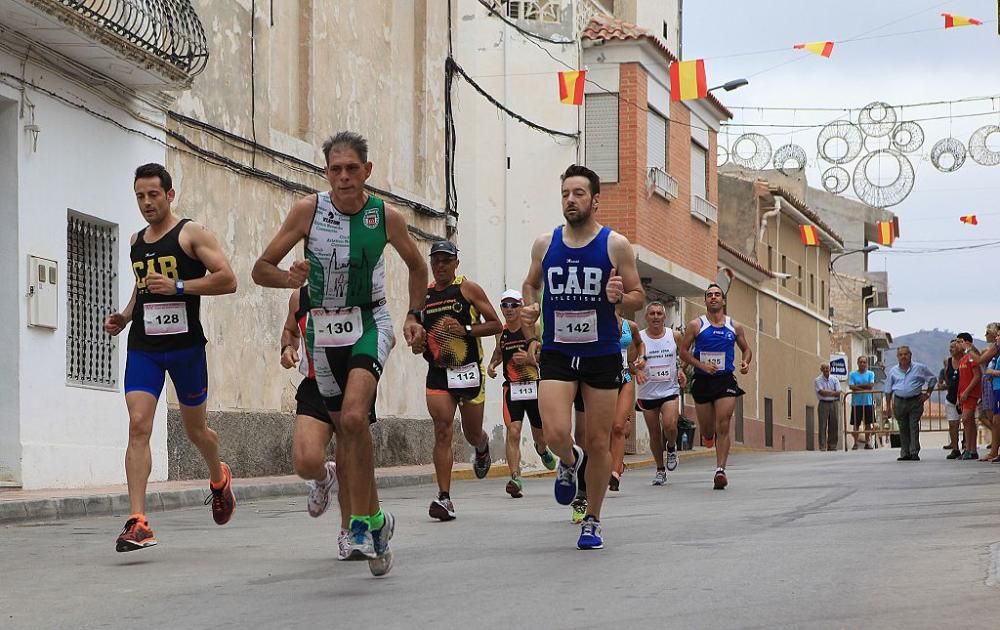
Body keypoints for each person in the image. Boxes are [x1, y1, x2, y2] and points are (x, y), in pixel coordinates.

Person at [251, 131, 427, 576]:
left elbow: (417, 265)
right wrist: (291, 279)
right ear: (326, 172)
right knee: (344, 430)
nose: (344, 177)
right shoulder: (307, 211)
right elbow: (260, 270)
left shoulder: (385, 216)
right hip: (323, 334)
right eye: (335, 169)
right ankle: (377, 519)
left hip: (370, 323)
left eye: (352, 169)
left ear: (368, 171)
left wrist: (414, 316)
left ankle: (363, 522)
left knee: (352, 418)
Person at [105, 163, 238, 553]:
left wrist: (179, 285)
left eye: (153, 195)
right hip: (145, 346)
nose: (146, 203)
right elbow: (143, 285)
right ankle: (138, 520)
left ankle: (219, 477)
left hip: (185, 349)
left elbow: (228, 279)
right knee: (138, 424)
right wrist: (126, 316)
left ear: (170, 195)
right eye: (140, 196)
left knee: (197, 432)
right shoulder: (135, 241)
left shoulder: (191, 234)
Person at [521, 164, 644, 550]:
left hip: (602, 353)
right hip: (558, 350)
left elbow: (639, 296)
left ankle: (592, 518)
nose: (570, 200)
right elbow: (530, 284)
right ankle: (568, 461)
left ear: (594, 200)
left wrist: (620, 298)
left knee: (599, 441)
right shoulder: (546, 244)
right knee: (556, 432)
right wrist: (530, 310)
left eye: (578, 193)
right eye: (565, 194)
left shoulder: (615, 245)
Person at [279, 286, 377, 560]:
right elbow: (290, 331)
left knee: (350, 462)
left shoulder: (357, 291)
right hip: (315, 383)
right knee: (305, 461)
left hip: (353, 382)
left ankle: (349, 532)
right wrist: (288, 348)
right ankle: (324, 477)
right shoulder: (300, 298)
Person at [418, 240, 502, 520]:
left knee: (471, 433)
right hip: (439, 372)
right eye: (436, 261)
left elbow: (495, 324)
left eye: (446, 260)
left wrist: (466, 328)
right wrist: (417, 341)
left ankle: (481, 446)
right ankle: (444, 498)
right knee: (442, 429)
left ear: (456, 263)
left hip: (468, 372)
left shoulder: (468, 289)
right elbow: (417, 329)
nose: (441, 266)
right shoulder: (424, 295)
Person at [677, 284, 752, 490]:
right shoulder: (696, 325)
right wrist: (701, 365)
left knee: (724, 424)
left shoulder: (734, 326)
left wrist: (745, 363)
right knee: (708, 429)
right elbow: (683, 352)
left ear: (723, 301)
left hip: (725, 380)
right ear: (705, 300)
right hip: (702, 380)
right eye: (709, 295)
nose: (713, 298)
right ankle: (708, 437)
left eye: (717, 295)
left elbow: (746, 349)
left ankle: (721, 470)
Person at [486, 289, 557, 498]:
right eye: (505, 305)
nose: (509, 309)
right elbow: (499, 352)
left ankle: (542, 449)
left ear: (521, 307)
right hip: (512, 388)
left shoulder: (532, 328)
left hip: (534, 387)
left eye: (514, 305)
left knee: (540, 435)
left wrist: (528, 359)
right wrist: (492, 365)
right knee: (514, 431)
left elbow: (547, 354)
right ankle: (515, 477)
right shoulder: (501, 331)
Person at [636, 302, 687, 485]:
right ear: (646, 317)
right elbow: (631, 361)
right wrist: (638, 371)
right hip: (647, 392)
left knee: (670, 426)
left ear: (664, 317)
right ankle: (659, 469)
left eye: (659, 313)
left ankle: (671, 447)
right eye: (652, 314)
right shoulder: (639, 338)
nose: (656, 316)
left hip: (669, 390)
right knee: (654, 433)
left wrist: (681, 369)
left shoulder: (674, 336)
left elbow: (685, 355)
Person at [609, 310, 646, 491]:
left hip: (625, 377)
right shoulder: (596, 322)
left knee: (619, 427)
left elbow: (640, 344)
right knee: (604, 428)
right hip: (602, 380)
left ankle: (615, 473)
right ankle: (614, 463)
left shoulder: (629, 325)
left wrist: (642, 358)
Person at [883, 346, 937, 461]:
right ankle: (905, 453)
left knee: (913, 426)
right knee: (902, 427)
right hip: (899, 401)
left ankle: (914, 452)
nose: (903, 356)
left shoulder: (920, 368)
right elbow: (888, 389)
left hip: (915, 401)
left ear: (910, 355)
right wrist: (888, 406)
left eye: (905, 354)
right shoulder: (893, 371)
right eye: (900, 355)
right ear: (897, 357)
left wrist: (927, 394)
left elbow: (932, 379)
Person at [965, 324, 1000, 462]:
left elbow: (979, 360)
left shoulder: (993, 349)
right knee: (994, 419)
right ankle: (994, 450)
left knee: (994, 419)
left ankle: (994, 450)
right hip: (993, 386)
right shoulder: (994, 352)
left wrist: (968, 349)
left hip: (994, 387)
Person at [955, 332, 983, 460]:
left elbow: (977, 375)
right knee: (968, 421)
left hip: (971, 394)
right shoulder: (962, 360)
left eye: (960, 341)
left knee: (967, 419)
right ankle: (970, 449)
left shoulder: (972, 357)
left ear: (967, 342)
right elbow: (961, 380)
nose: (958, 344)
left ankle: (971, 449)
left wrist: (967, 391)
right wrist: (958, 396)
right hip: (963, 395)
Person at [940, 339, 963, 459]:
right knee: (953, 424)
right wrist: (945, 386)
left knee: (968, 423)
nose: (951, 349)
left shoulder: (966, 360)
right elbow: (947, 377)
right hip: (951, 397)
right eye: (950, 347)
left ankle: (968, 446)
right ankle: (955, 448)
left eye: (953, 347)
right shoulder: (947, 361)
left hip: (964, 397)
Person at [848, 356, 876, 450]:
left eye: (864, 362)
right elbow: (851, 386)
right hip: (856, 403)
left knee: (868, 423)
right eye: (861, 362)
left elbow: (871, 385)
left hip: (868, 402)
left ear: (867, 364)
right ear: (857, 363)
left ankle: (867, 442)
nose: (862, 364)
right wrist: (864, 388)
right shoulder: (852, 374)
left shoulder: (871, 373)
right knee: (856, 424)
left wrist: (858, 387)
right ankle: (855, 443)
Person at [815, 363, 842, 451]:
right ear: (821, 369)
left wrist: (828, 392)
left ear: (830, 369)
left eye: (827, 368)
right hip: (823, 403)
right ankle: (822, 446)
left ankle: (832, 445)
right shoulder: (817, 380)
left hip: (834, 403)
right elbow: (821, 392)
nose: (826, 370)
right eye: (824, 368)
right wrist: (832, 392)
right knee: (822, 425)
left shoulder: (835, 379)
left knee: (834, 425)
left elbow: (838, 392)